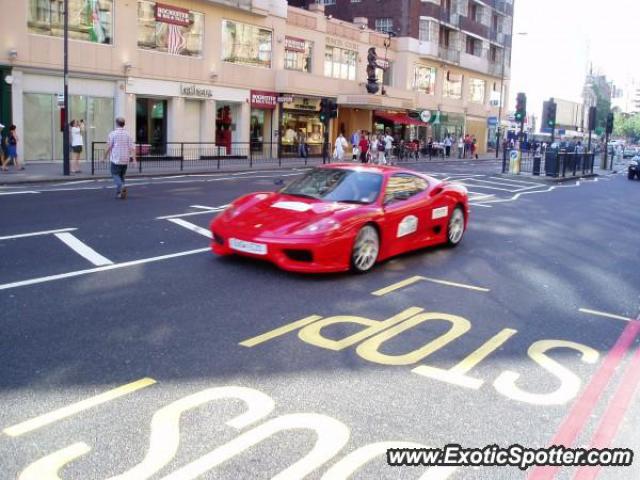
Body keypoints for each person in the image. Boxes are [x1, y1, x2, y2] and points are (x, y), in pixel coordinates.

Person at [104, 117, 136, 199]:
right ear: (123, 124)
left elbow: (109, 147)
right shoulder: (128, 134)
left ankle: (122, 186)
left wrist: (103, 157)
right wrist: (134, 160)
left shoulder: (113, 134)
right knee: (122, 176)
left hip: (116, 158)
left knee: (114, 174)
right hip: (125, 158)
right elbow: (132, 148)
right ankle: (119, 193)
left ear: (116, 123)